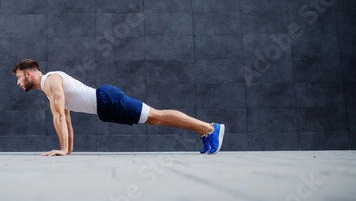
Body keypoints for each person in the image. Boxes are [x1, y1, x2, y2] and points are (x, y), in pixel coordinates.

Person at [12, 59, 225, 156]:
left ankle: (210, 128)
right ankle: (203, 131)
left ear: (29, 73)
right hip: (105, 106)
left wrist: (61, 149)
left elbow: (59, 117)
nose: (19, 82)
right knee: (153, 118)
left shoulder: (50, 81)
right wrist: (67, 149)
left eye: (19, 77)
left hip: (107, 100)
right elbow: (66, 118)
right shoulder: (51, 85)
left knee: (157, 115)